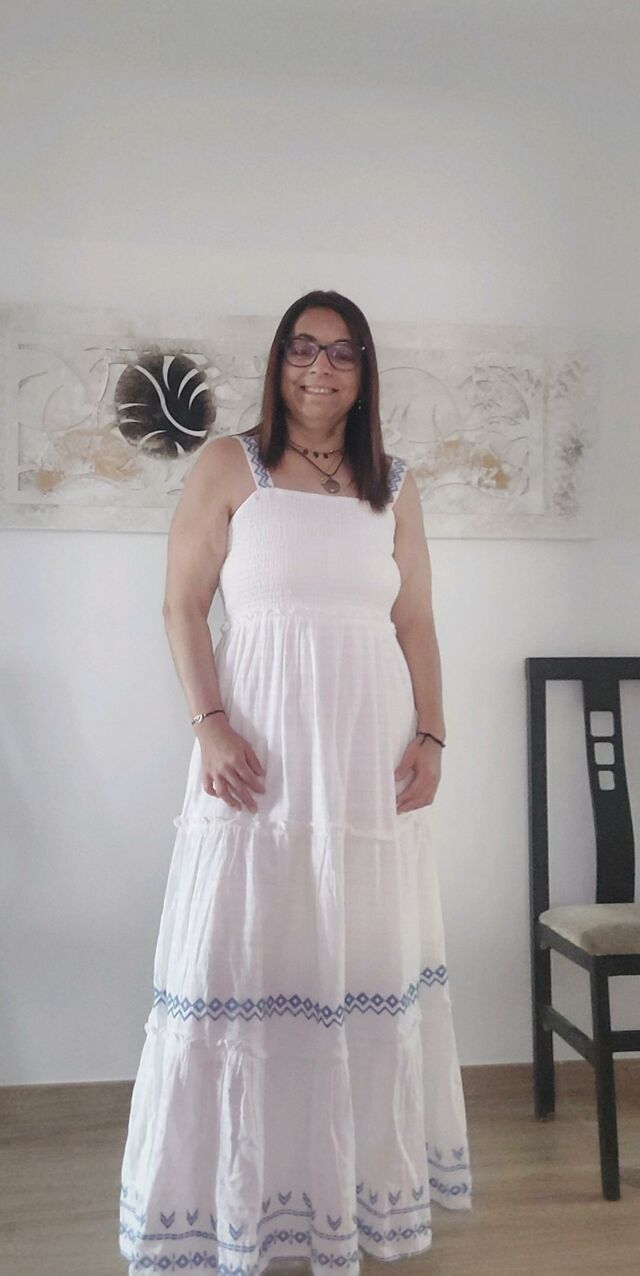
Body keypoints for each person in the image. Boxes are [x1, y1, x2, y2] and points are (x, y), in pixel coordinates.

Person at [118, 289, 472, 1275]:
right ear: (278, 361)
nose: (321, 367)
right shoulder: (227, 465)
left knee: (356, 962)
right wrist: (209, 725)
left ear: (365, 372)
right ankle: (232, 1204)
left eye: (343, 352)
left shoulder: (393, 485)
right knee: (241, 962)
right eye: (304, 348)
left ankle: (346, 1197)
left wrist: (434, 734)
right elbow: (181, 606)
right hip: (257, 760)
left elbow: (415, 621)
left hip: (367, 757)